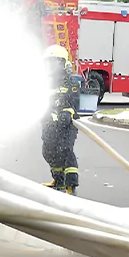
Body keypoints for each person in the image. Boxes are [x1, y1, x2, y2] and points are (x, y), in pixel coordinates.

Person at [41, 44, 80, 195]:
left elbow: (74, 102)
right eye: (49, 62)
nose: (52, 66)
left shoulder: (71, 82)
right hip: (50, 123)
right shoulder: (45, 82)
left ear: (64, 63)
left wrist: (67, 112)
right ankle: (58, 180)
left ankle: (71, 185)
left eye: (55, 62)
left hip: (67, 124)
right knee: (48, 150)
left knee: (65, 150)